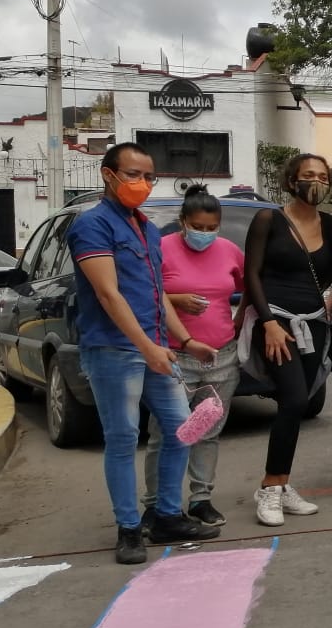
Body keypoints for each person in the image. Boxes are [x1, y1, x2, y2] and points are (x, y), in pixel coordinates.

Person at [67, 142, 220, 564]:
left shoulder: (148, 229)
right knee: (122, 438)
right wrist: (147, 347)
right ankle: (129, 528)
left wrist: (185, 340)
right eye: (133, 174)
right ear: (108, 174)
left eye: (149, 176)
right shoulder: (92, 226)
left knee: (181, 429)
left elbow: (157, 295)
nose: (143, 184)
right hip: (115, 350)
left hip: (156, 345)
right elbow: (108, 293)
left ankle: (166, 514)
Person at [141, 185, 244, 528]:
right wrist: (177, 298)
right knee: (167, 432)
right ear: (183, 222)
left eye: (210, 227)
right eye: (197, 227)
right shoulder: (161, 248)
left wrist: (240, 319)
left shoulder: (229, 250)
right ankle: (155, 504)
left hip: (221, 357)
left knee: (208, 431)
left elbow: (248, 287)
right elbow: (147, 292)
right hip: (174, 356)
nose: (204, 233)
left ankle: (201, 498)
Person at [243, 154, 332, 526]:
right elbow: (251, 275)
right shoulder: (269, 219)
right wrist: (268, 322)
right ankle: (268, 486)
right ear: (291, 180)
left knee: (299, 401)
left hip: (315, 324)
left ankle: (282, 483)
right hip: (278, 325)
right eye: (308, 175)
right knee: (294, 399)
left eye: (323, 177)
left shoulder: (331, 224)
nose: (316, 182)